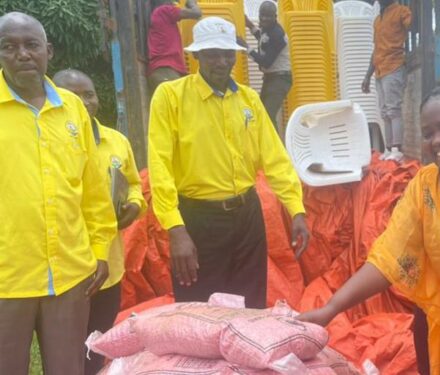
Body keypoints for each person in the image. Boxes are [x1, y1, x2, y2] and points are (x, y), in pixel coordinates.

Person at [298, 85, 440, 375]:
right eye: (428, 134)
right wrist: (330, 309)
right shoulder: (425, 185)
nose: (437, 141)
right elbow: (389, 259)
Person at [148, 17, 310, 309]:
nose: (222, 62)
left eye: (228, 54)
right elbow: (160, 167)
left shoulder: (248, 100)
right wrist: (176, 230)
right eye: (212, 54)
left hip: (247, 217)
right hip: (198, 220)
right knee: (200, 313)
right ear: (196, 55)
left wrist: (296, 208)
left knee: (250, 306)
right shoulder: (170, 97)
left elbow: (275, 158)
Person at [0, 12, 117, 375]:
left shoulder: (72, 110)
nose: (22, 54)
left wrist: (99, 250)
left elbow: (94, 192)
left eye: (31, 45)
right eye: (9, 47)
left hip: (69, 274)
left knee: (68, 368)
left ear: (48, 51)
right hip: (7, 277)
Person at [52, 69, 146, 375]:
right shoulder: (50, 143)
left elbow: (133, 182)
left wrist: (134, 202)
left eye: (89, 94)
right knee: (67, 343)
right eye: (74, 94)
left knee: (99, 336)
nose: (84, 101)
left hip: (110, 263)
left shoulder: (116, 141)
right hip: (66, 264)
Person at [363, 0, 411, 162]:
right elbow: (376, 49)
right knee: (384, 112)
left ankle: (398, 149)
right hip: (380, 69)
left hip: (394, 65)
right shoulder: (377, 20)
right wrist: (367, 76)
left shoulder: (402, 11)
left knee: (393, 109)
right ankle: (389, 149)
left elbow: (413, 25)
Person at [245, 2, 291, 133]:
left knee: (268, 115)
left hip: (280, 78)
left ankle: (277, 151)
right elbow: (263, 39)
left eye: (268, 16)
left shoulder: (277, 34)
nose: (264, 19)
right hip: (272, 78)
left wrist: (246, 48)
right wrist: (250, 26)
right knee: (261, 113)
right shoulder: (269, 28)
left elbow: (266, 62)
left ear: (275, 16)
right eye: (262, 15)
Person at [147, 0, 201, 91]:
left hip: (165, 71)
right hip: (165, 70)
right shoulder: (164, 10)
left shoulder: (160, 15)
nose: (175, 4)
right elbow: (196, 13)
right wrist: (192, 2)